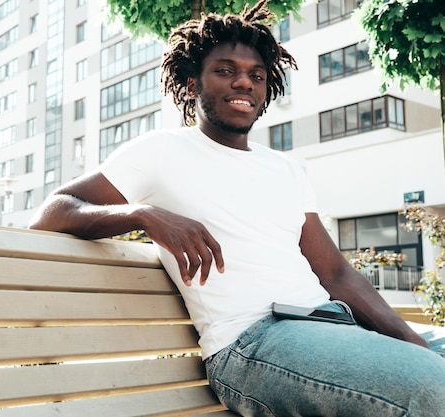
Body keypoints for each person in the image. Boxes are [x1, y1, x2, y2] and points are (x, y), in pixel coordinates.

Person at [29, 1, 445, 415]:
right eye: (225, 70)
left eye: (256, 75)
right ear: (192, 83)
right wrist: (142, 215)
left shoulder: (285, 168)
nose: (243, 82)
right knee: (432, 388)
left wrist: (409, 338)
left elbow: (334, 272)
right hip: (251, 343)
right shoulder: (161, 151)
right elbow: (52, 213)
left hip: (331, 324)